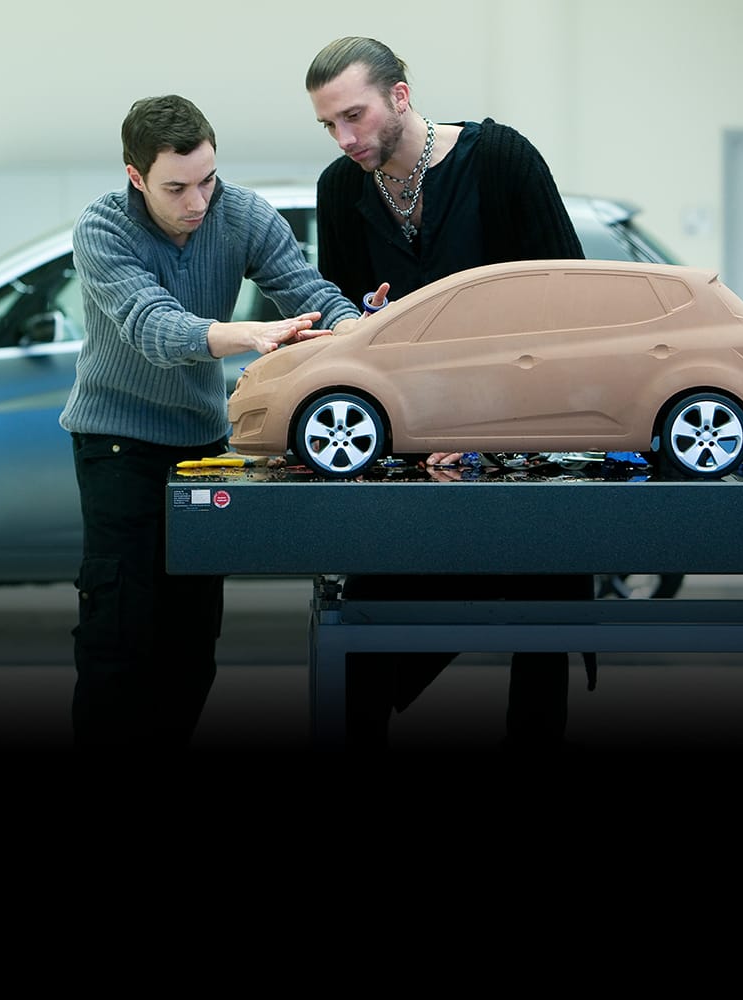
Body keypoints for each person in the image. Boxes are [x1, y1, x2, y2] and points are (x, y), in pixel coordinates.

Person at [60, 94, 375, 751]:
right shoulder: (102, 228)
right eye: (176, 188)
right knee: (119, 633)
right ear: (136, 176)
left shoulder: (242, 214)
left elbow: (307, 290)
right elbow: (153, 327)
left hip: (201, 447)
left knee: (191, 637)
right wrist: (249, 334)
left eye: (207, 179)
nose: (198, 201)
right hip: (117, 447)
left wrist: (358, 328)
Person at [305, 36, 595, 750]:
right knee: (367, 643)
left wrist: (485, 428)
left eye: (354, 116)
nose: (344, 139)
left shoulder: (500, 161)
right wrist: (363, 322)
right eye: (329, 125)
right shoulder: (340, 189)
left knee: (540, 638)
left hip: (523, 445)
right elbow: (342, 325)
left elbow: (569, 307)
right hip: (410, 455)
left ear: (400, 96)